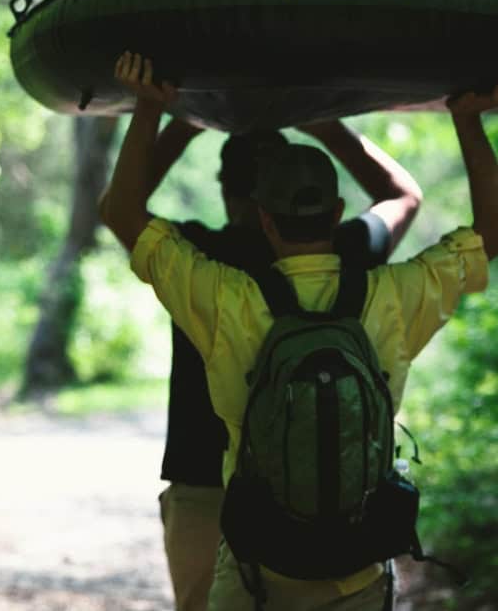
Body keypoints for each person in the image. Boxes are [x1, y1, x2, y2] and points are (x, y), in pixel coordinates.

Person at [102, 51, 497, 610]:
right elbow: (483, 229)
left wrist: (163, 110)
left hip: (246, 545)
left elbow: (121, 211)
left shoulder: (221, 289)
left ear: (264, 215)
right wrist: (465, 119)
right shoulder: (383, 289)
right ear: (336, 212)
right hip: (354, 554)